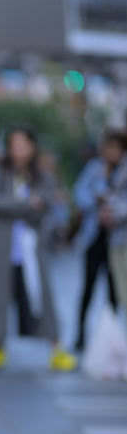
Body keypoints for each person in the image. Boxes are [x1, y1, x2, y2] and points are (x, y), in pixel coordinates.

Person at [0, 127, 77, 371]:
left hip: (31, 248)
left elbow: (46, 204)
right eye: (14, 144)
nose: (19, 149)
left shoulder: (42, 174)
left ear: (32, 146)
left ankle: (56, 348)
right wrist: (25, 204)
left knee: (42, 297)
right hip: (0, 246)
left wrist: (18, 206)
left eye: (24, 144)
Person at [72, 131, 124, 350]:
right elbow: (79, 194)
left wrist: (114, 211)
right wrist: (96, 197)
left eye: (117, 148)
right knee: (88, 288)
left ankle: (112, 338)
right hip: (94, 237)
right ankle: (80, 334)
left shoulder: (123, 171)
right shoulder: (94, 169)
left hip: (117, 240)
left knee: (115, 292)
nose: (113, 153)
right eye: (109, 147)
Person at [98, 130, 127, 326]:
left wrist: (112, 213)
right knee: (121, 292)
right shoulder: (104, 168)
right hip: (116, 238)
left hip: (122, 236)